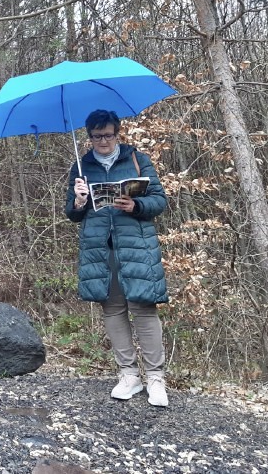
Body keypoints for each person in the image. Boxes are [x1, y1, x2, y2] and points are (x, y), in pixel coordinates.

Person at [66, 109, 170, 407]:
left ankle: (156, 378)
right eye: (97, 136)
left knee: (144, 308)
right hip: (100, 249)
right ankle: (128, 375)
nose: (103, 141)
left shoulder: (137, 159)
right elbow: (71, 213)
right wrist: (79, 201)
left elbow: (159, 201)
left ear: (117, 133)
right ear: (89, 137)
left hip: (136, 246)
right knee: (112, 310)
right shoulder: (81, 167)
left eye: (108, 135)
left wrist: (135, 205)